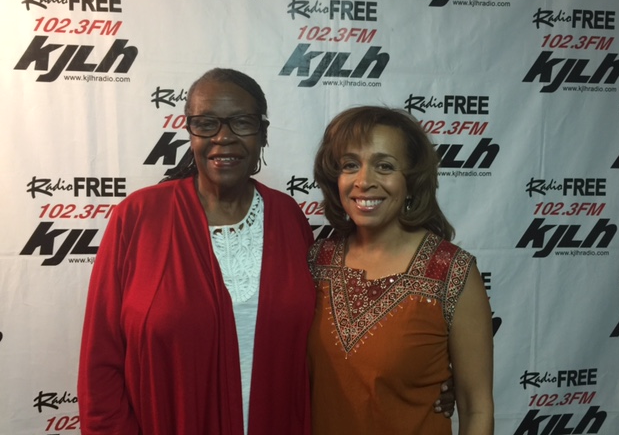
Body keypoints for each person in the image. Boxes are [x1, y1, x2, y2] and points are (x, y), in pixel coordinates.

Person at [77, 68, 316, 435]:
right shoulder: (138, 217)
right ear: (190, 132)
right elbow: (101, 361)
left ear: (263, 134)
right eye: (206, 124)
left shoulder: (289, 217)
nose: (223, 137)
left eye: (242, 122)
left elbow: (319, 348)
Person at [308, 106, 494, 434]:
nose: (364, 181)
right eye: (350, 165)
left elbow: (476, 407)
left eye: (385, 166)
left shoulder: (452, 272)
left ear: (412, 180)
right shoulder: (314, 262)